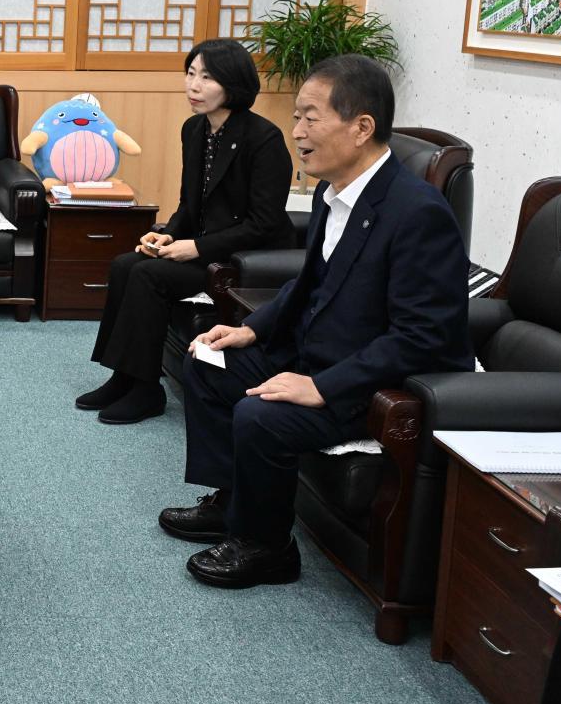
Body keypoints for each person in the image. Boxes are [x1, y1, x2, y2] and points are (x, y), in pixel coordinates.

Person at [158, 54, 471, 588]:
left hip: (370, 382)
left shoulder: (418, 213)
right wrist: (252, 329)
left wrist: (322, 387)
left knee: (262, 416)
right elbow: (310, 283)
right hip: (315, 352)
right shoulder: (333, 192)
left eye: (309, 117)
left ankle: (268, 547)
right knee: (209, 361)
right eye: (296, 117)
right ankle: (232, 505)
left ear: (361, 127)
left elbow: (424, 336)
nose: (297, 131)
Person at [75, 38, 294, 424]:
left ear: (233, 83)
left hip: (242, 259)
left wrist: (196, 248)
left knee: (148, 275)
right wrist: (169, 234)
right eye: (191, 74)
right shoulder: (194, 129)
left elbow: (264, 224)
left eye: (207, 78)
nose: (194, 85)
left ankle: (147, 390)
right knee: (125, 265)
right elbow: (189, 203)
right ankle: (122, 376)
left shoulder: (264, 139)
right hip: (202, 247)